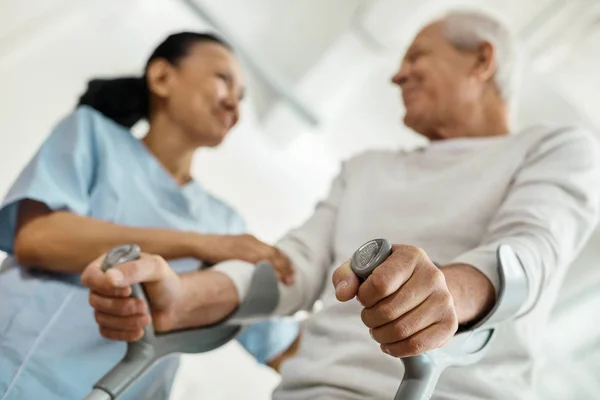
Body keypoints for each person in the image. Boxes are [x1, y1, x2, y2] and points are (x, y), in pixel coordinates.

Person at [84, 10, 600, 400]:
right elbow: (294, 265)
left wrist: (445, 294)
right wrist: (183, 298)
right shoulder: (365, 168)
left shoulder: (556, 148)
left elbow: (532, 252)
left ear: (482, 60)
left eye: (417, 57)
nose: (398, 77)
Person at [0, 32, 301, 400]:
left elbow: (282, 346)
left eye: (242, 97)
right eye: (224, 79)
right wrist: (200, 243)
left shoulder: (226, 224)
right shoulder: (92, 134)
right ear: (161, 78)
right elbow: (37, 240)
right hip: (17, 370)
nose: (234, 105)